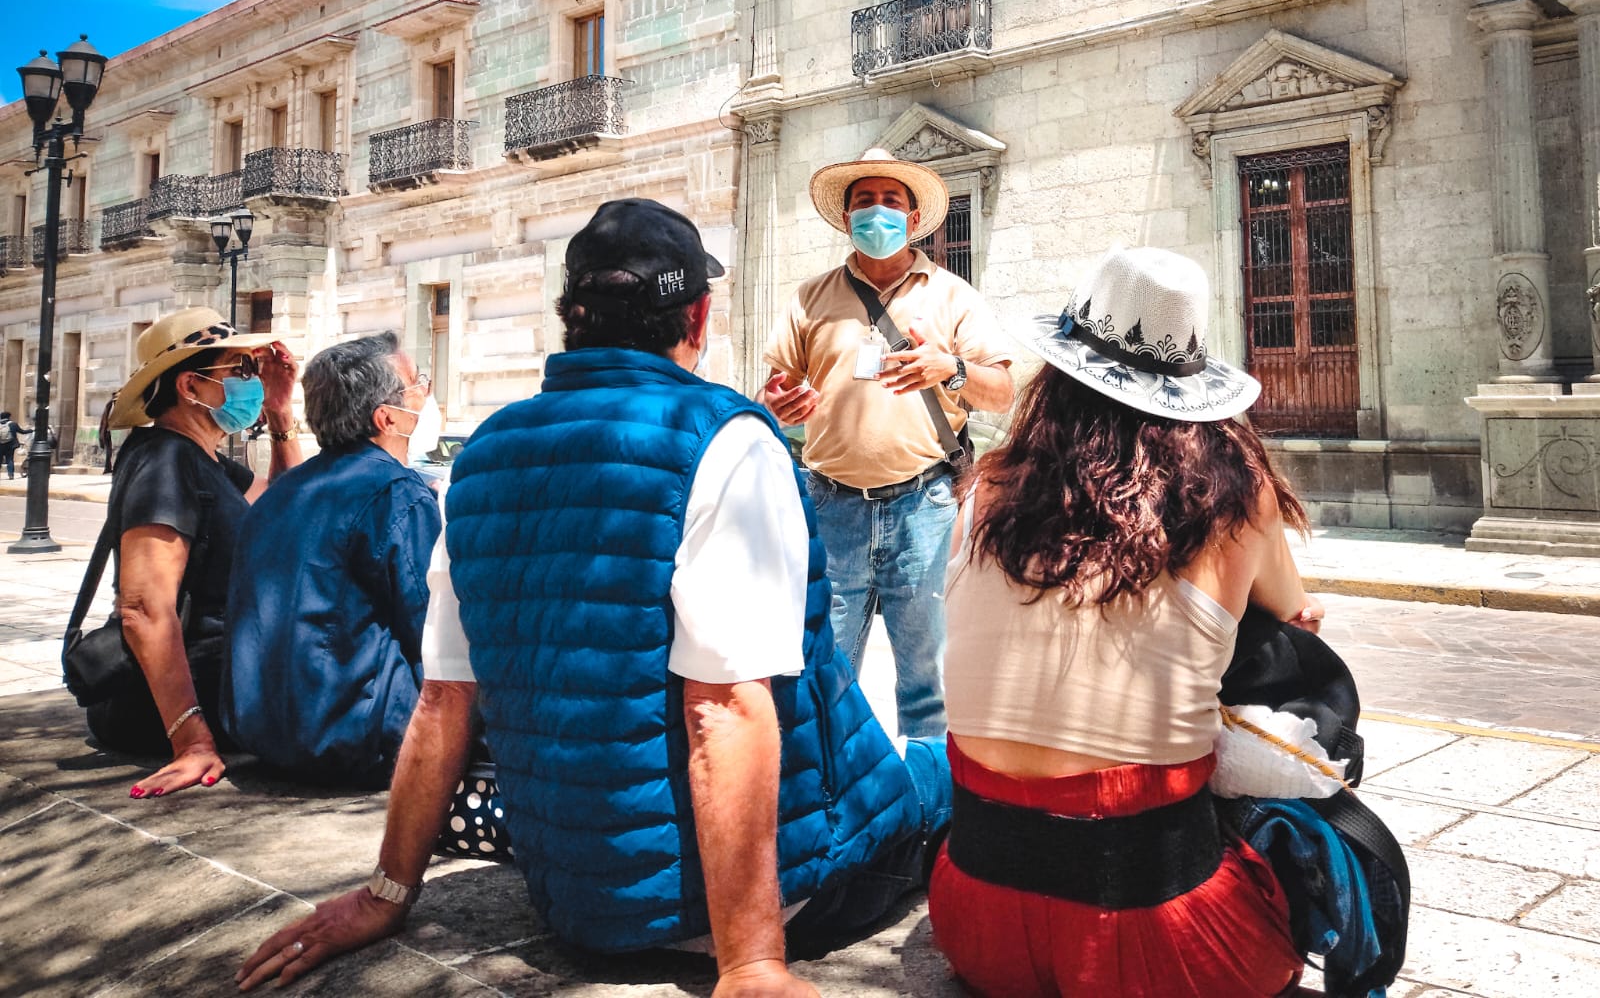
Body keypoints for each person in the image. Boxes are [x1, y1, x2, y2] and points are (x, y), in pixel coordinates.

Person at [237, 199, 950, 996]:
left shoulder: (482, 458)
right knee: (942, 767)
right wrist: (752, 963)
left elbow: (443, 698)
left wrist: (386, 893)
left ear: (571, 318)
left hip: (575, 901)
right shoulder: (726, 437)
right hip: (771, 897)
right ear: (700, 316)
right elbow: (723, 709)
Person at [929, 246, 1323, 998]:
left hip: (976, 922)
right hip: (1158, 939)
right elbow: (1290, 606)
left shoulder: (984, 487)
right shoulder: (1237, 498)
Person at [761, 147, 1013, 739]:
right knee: (824, 673)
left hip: (924, 507)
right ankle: (833, 807)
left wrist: (948, 369)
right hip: (831, 505)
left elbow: (1001, 391)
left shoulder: (953, 297)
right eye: (864, 202)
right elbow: (774, 384)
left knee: (930, 681)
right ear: (846, 219)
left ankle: (932, 817)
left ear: (913, 215)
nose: (878, 212)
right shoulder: (809, 299)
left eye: (891, 201)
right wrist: (779, 402)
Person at [94, 309, 301, 799]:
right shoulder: (163, 460)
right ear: (191, 386)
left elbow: (285, 507)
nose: (250, 381)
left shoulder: (202, 458)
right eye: (240, 371)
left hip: (226, 677)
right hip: (175, 699)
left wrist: (280, 413)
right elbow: (143, 608)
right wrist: (190, 739)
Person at [221, 334, 442, 787]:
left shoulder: (281, 492)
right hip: (357, 738)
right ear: (387, 417)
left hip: (263, 732)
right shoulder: (397, 492)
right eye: (418, 382)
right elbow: (430, 629)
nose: (427, 389)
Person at [0, 409, 30, 478]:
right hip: (10, 445)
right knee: (10, 459)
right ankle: (11, 474)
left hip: (1, 445)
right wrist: (30, 430)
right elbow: (22, 431)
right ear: (9, 417)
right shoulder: (13, 424)